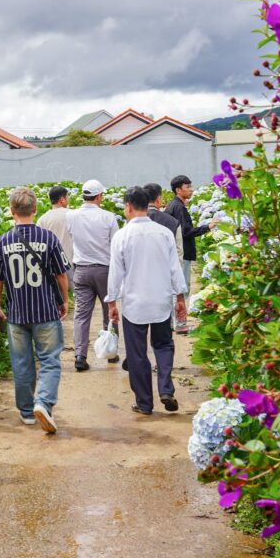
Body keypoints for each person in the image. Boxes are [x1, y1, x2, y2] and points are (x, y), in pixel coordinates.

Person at [0, 187, 70, 434]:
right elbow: (61, 274)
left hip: (17, 315)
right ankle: (43, 402)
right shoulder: (48, 239)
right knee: (50, 361)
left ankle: (26, 412)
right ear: (35, 209)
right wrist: (64, 301)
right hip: (45, 311)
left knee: (21, 363)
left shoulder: (2, 241)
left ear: (12, 212)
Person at [106, 186, 188, 415]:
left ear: (128, 207)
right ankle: (165, 389)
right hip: (161, 300)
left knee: (137, 353)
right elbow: (175, 268)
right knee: (163, 346)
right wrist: (180, 297)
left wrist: (111, 302)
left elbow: (115, 273)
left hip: (134, 304)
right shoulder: (163, 233)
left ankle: (144, 403)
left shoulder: (121, 236)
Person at [66, 179, 119, 371]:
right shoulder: (108, 216)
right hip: (105, 269)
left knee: (81, 315)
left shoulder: (71, 216)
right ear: (99, 196)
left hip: (81, 269)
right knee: (110, 312)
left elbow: (72, 237)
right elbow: (115, 244)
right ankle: (111, 352)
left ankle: (80, 355)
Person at [164, 175, 218, 334]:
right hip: (183, 253)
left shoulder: (175, 205)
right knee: (181, 288)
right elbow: (186, 232)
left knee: (176, 288)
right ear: (178, 190)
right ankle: (179, 324)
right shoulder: (179, 207)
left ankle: (173, 323)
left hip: (176, 253)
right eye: (188, 187)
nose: (191, 189)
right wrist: (208, 226)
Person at [36, 185, 74, 291]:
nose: (69, 199)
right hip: (71, 262)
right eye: (67, 196)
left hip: (52, 265)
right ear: (62, 199)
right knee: (78, 297)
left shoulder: (42, 219)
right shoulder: (73, 215)